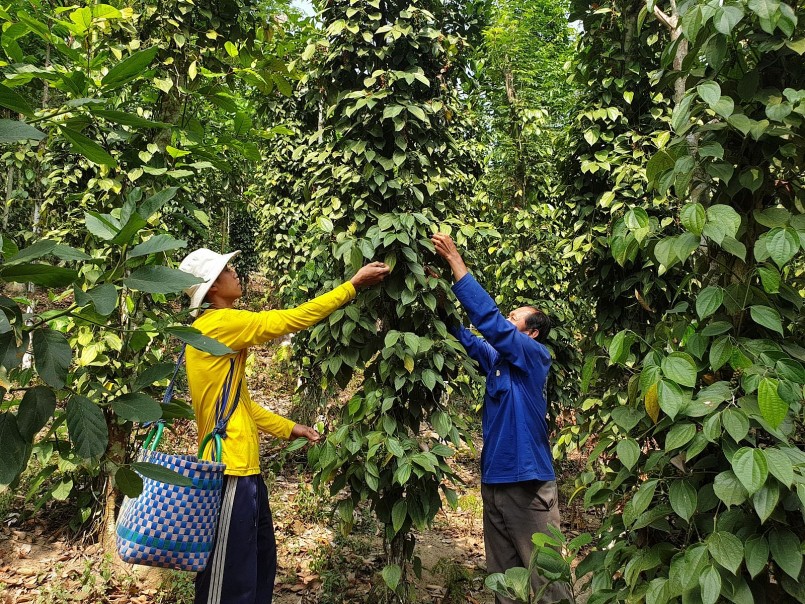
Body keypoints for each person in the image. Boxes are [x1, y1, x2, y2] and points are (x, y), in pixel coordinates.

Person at [178, 248, 389, 604]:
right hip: (227, 470)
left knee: (256, 566)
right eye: (228, 269)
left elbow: (241, 406)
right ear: (213, 288)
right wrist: (352, 286)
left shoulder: (218, 332)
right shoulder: (218, 324)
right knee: (226, 579)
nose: (235, 273)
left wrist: (290, 428)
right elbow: (286, 320)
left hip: (245, 471)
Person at [430, 233, 571, 604]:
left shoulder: (535, 356)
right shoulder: (498, 362)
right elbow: (468, 337)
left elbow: (491, 324)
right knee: (505, 583)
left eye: (515, 319)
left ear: (532, 331)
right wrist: (439, 297)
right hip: (495, 484)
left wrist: (457, 266)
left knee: (548, 584)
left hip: (528, 485)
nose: (508, 321)